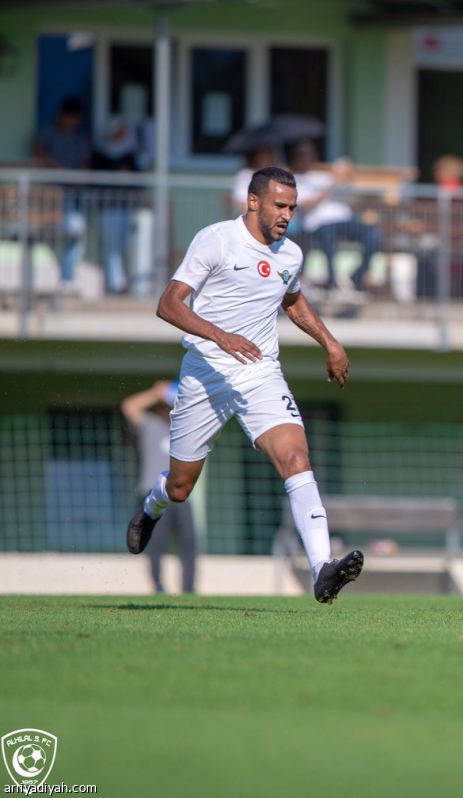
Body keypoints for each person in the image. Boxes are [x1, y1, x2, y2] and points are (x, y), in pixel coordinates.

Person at [125, 166, 363, 604]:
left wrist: (330, 342)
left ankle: (322, 570)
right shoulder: (216, 239)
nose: (287, 214)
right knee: (180, 487)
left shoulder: (290, 254)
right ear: (253, 201)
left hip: (260, 373)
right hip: (205, 373)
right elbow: (168, 304)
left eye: (293, 207)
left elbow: (292, 299)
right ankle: (151, 506)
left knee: (295, 457)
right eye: (280, 205)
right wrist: (220, 335)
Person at [121, 379, 196, 593]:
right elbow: (129, 406)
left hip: (180, 494)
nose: (168, 409)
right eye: (165, 405)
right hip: (152, 492)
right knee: (156, 542)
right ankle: (158, 586)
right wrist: (156, 393)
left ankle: (188, 589)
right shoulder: (149, 424)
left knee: (189, 540)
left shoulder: (184, 428)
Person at [287, 144, 383, 296]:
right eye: (301, 157)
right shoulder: (296, 180)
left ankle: (357, 277)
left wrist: (349, 178)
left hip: (346, 222)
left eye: (308, 157)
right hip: (320, 225)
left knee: (374, 234)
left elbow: (353, 199)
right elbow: (307, 205)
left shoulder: (323, 176)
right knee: (328, 236)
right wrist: (330, 186)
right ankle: (332, 281)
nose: (306, 160)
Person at [32, 96, 91, 291]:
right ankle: (54, 276)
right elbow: (38, 151)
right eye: (70, 117)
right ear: (62, 115)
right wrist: (59, 169)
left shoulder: (79, 136)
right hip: (53, 194)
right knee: (53, 235)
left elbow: (85, 160)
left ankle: (66, 279)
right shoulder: (49, 130)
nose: (72, 122)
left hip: (74, 194)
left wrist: (79, 176)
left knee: (75, 231)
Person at [92, 116, 140, 294]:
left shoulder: (129, 153)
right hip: (107, 206)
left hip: (125, 206)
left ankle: (122, 281)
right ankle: (115, 283)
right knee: (111, 244)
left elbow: (136, 179)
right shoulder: (100, 154)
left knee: (123, 244)